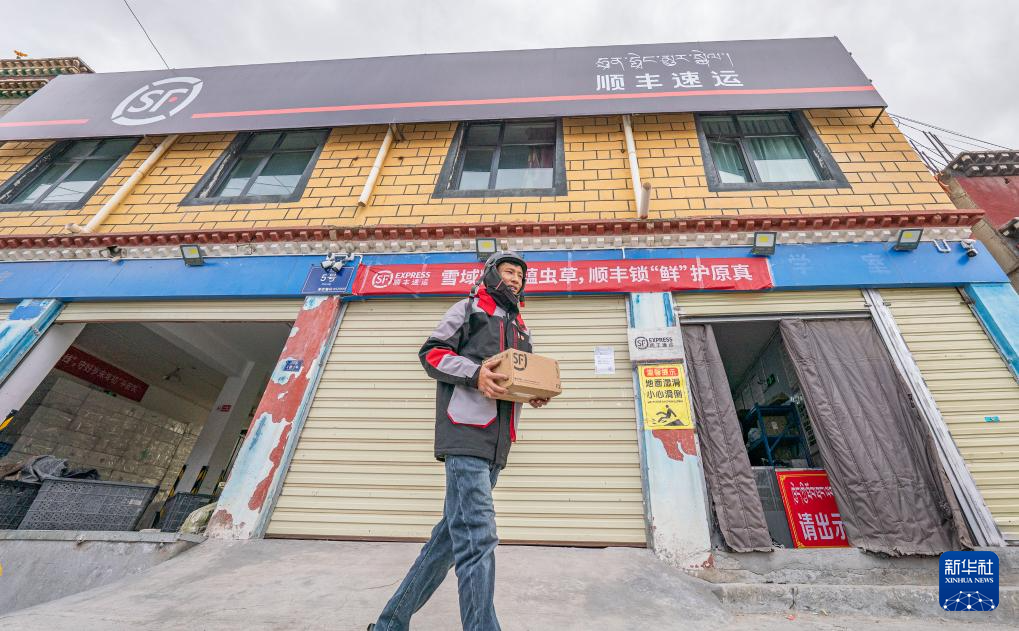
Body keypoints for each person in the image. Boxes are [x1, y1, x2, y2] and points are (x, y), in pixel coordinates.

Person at [370, 251, 548, 631]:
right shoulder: (469, 309)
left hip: (497, 445)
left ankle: (389, 624)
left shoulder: (521, 329)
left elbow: (517, 378)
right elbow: (432, 353)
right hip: (465, 434)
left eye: (520, 276)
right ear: (492, 274)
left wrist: (533, 391)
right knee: (478, 538)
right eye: (509, 272)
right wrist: (474, 372)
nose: (515, 279)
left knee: (448, 541)